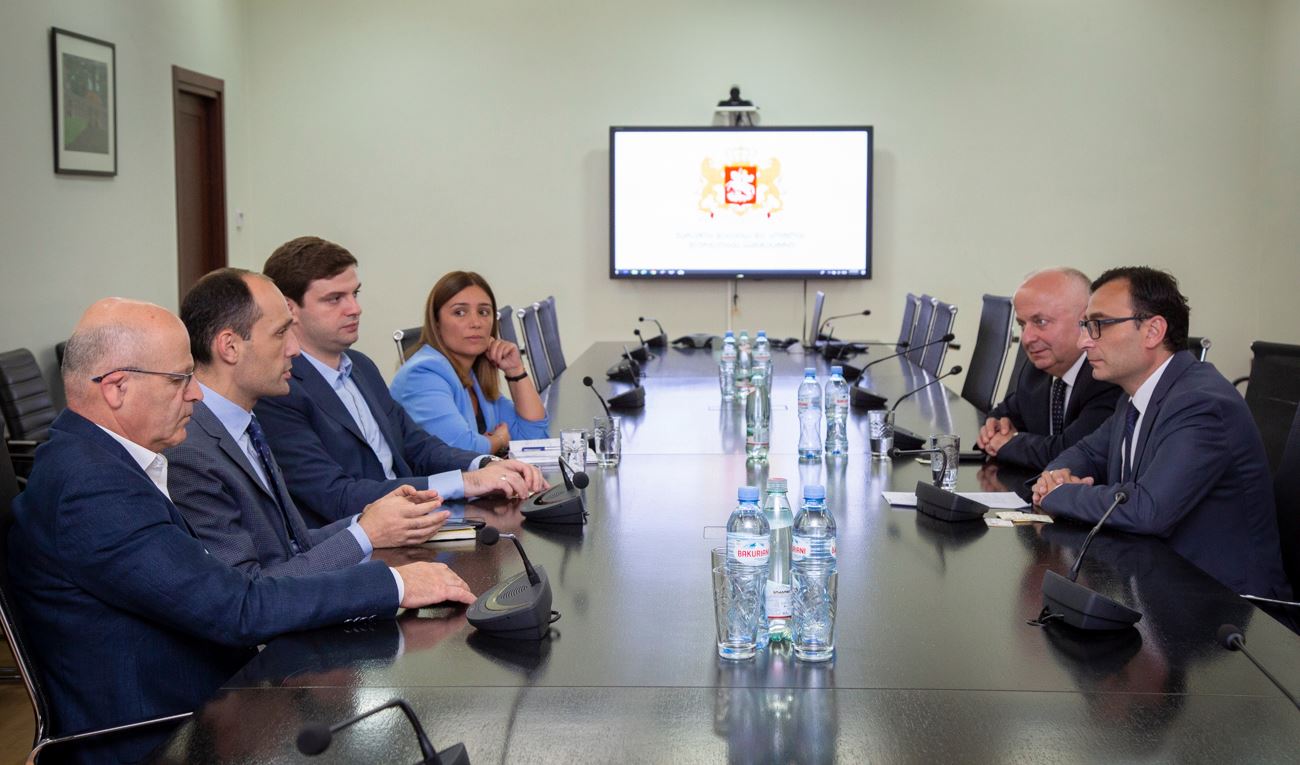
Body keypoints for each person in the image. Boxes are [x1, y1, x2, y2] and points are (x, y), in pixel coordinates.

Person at [5, 298, 475, 765]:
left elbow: (223, 589)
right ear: (116, 388)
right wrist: (395, 583)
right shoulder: (91, 489)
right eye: (179, 379)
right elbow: (236, 608)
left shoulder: (95, 460)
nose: (195, 394)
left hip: (219, 703)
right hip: (169, 735)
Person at [167, 269, 452, 576]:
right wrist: (367, 535)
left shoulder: (243, 424)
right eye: (280, 333)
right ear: (230, 346)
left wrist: (370, 520)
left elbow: (291, 546)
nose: (294, 348)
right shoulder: (189, 450)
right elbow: (247, 589)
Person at [1032, 267, 1290, 598]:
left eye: (1098, 325)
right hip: (1157, 582)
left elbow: (1147, 510)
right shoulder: (1135, 395)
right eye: (1085, 326)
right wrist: (1054, 476)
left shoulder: (1202, 403)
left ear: (1153, 330)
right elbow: (1085, 453)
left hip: (1226, 606)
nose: (1084, 342)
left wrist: (1058, 494)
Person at [256, 236, 547, 526]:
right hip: (363, 538)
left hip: (415, 519)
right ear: (289, 309)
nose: (354, 308)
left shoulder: (361, 366)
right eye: (335, 299)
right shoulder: (279, 389)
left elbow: (417, 445)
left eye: (355, 294)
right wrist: (466, 482)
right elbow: (335, 495)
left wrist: (484, 464)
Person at [977, 268, 1122, 470]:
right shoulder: (1036, 371)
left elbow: (1072, 453)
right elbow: (1004, 413)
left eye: (1041, 322)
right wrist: (994, 426)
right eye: (1022, 325)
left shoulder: (1106, 377)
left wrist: (1010, 443)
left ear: (1084, 321)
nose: (1027, 338)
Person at [391, 271, 549, 454]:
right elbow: (461, 450)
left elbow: (535, 440)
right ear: (436, 323)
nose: (476, 323)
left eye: (483, 312)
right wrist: (499, 439)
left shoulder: (473, 375)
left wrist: (515, 370)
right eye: (459, 312)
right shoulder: (422, 374)